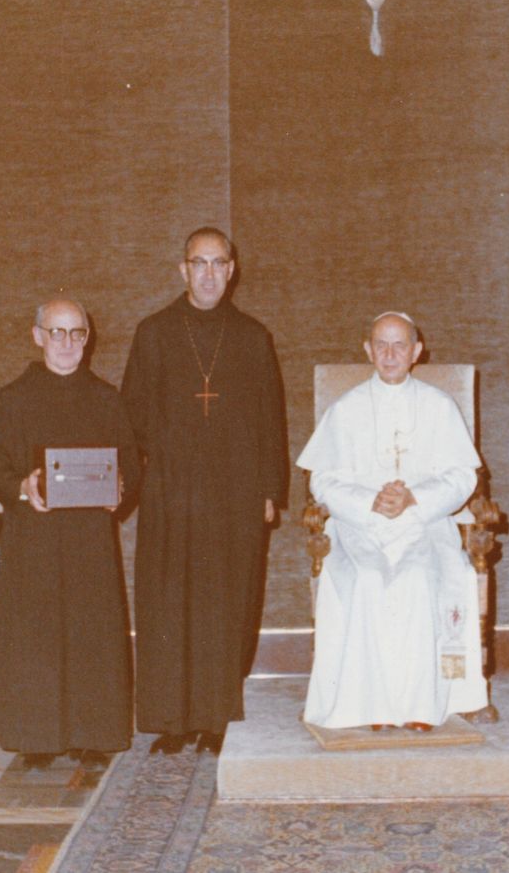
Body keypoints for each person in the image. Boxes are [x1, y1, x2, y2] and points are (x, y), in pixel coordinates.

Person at [121, 227, 288, 754]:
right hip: (172, 489)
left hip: (236, 490)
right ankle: (172, 719)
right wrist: (135, 479)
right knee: (169, 600)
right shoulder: (153, 333)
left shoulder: (253, 337)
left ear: (232, 270)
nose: (210, 273)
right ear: (182, 270)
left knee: (225, 600)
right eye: (200, 263)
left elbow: (271, 420)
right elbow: (131, 420)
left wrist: (269, 489)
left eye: (219, 263)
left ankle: (215, 717)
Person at [298, 312, 487, 731]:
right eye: (380, 344)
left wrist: (413, 498)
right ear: (367, 349)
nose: (389, 354)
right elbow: (323, 480)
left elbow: (462, 476)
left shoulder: (440, 406)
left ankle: (422, 705)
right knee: (367, 580)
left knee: (419, 579)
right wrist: (372, 501)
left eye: (399, 344)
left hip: (424, 523)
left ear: (417, 351)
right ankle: (370, 706)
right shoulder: (345, 410)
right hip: (358, 526)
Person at [0, 298, 141, 769]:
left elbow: (131, 462)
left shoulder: (106, 398)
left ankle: (92, 732)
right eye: (57, 332)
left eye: (76, 333)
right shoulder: (15, 397)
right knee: (37, 631)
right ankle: (37, 735)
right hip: (35, 536)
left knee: (90, 630)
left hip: (89, 540)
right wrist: (22, 486)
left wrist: (121, 488)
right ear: (38, 337)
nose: (67, 343)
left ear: (87, 339)